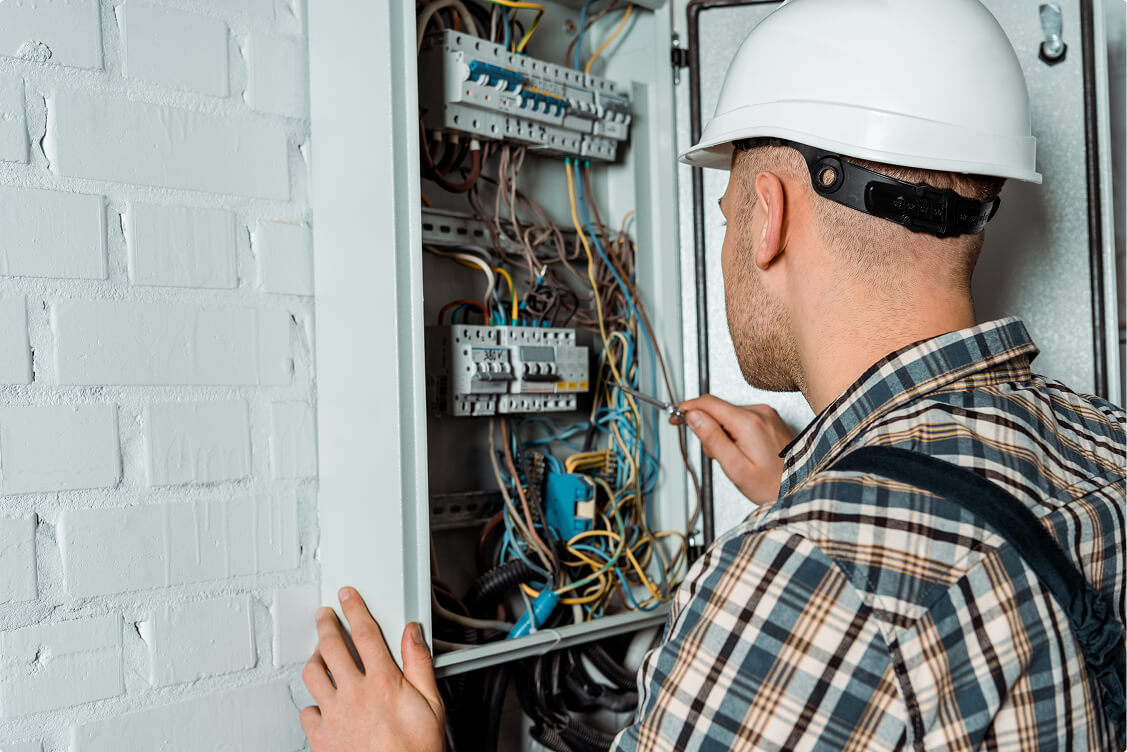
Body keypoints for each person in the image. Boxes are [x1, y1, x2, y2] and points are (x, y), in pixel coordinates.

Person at [299, 0, 1126, 748]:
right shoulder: (1101, 446)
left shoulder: (797, 582)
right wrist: (812, 483)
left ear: (768, 214)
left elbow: (855, 597)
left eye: (727, 213)